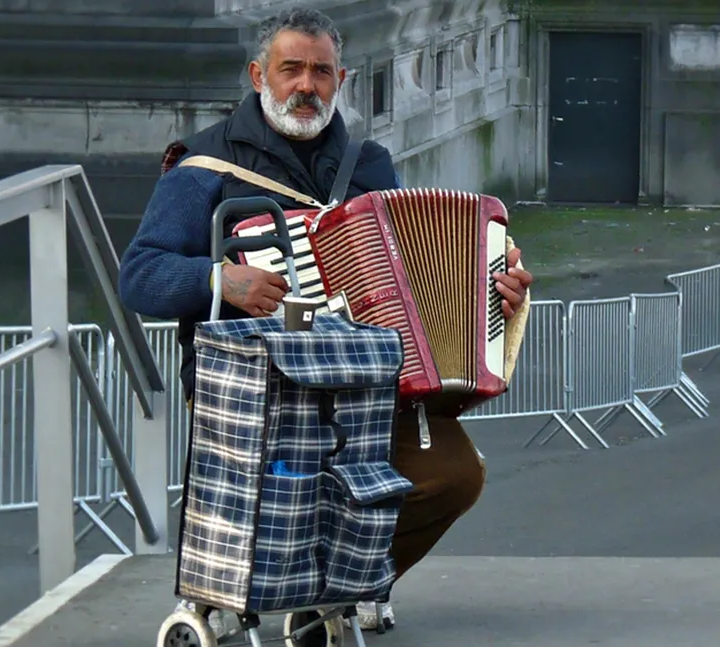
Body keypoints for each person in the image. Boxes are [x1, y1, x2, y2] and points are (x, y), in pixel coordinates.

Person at [117, 6, 533, 636]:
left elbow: (412, 270)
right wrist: (220, 278)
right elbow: (139, 274)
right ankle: (263, 597)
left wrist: (491, 289)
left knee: (454, 476)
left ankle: (343, 589)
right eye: (291, 70)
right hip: (259, 393)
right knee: (289, 498)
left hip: (367, 388)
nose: (305, 86)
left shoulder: (370, 166)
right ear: (260, 75)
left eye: (320, 71)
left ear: (343, 79)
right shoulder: (204, 168)